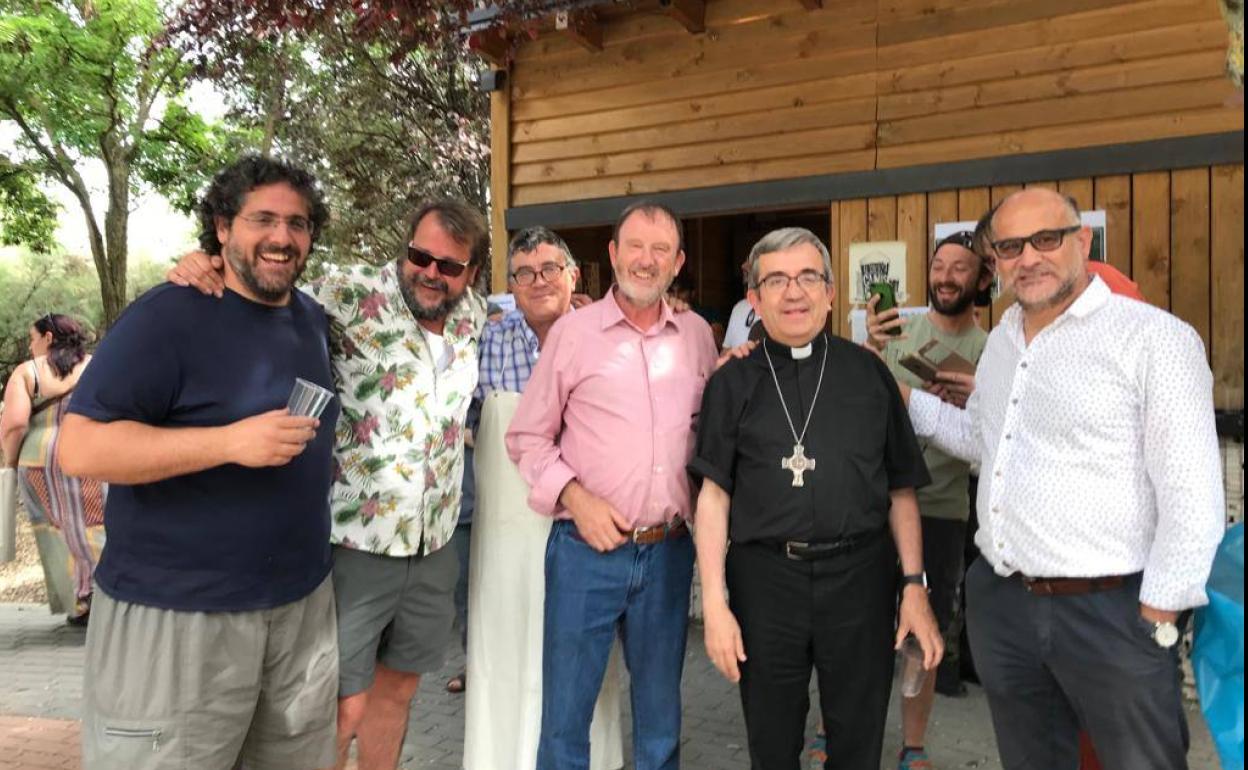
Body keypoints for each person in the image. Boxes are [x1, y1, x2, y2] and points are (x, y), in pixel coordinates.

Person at [900, 187, 1225, 770]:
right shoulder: (1003, 341)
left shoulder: (1154, 339)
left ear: (1082, 241)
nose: (1028, 257)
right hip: (1005, 603)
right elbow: (984, 440)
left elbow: (1193, 494)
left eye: (1045, 239)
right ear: (994, 260)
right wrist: (903, 401)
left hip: (1111, 610)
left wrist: (1158, 614)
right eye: (1010, 246)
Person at [170, 198, 488, 770]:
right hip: (355, 547)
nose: (431, 273)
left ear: (471, 274)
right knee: (340, 707)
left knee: (398, 694)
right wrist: (207, 261)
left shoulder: (476, 315)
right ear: (405, 249)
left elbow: (536, 304)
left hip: (434, 546)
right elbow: (265, 277)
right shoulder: (348, 290)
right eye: (421, 256)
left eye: (450, 265)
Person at [58, 155, 339, 770]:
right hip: (180, 616)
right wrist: (227, 442)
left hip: (297, 613)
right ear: (221, 226)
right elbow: (79, 448)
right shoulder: (169, 315)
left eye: (298, 223)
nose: (282, 237)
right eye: (262, 219)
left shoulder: (311, 319)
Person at [689, 227, 942, 770]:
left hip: (860, 579)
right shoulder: (731, 384)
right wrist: (714, 602)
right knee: (772, 741)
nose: (793, 292)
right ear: (754, 299)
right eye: (775, 280)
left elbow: (901, 490)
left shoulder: (869, 375)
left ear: (831, 292)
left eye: (808, 277)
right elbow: (713, 497)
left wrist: (914, 587)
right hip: (764, 583)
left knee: (857, 739)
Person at [506, 202, 718, 770]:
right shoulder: (573, 335)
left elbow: (715, 432)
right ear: (612, 255)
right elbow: (527, 438)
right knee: (565, 721)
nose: (645, 261)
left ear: (678, 262)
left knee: (660, 724)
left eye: (660, 250)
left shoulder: (698, 338)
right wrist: (576, 498)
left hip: (668, 552)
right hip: (584, 552)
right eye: (635, 247)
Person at [464, 226, 624, 770]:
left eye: (551, 269)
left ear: (575, 275)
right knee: (507, 650)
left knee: (579, 657)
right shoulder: (483, 339)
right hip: (504, 533)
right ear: (511, 284)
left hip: (581, 523)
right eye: (526, 273)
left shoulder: (603, 336)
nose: (540, 282)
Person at [866, 231, 991, 769]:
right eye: (939, 265)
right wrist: (871, 347)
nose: (945, 276)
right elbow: (866, 398)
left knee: (926, 632)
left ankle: (912, 747)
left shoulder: (994, 353)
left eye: (959, 268)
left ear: (983, 280)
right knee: (859, 625)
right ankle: (835, 728)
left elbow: (994, 439)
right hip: (877, 503)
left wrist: (968, 401)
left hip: (941, 508)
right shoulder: (898, 330)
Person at [0, 313, 104, 625]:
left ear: (48, 338)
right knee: (97, 524)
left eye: (33, 339)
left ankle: (82, 602)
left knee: (59, 530)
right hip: (92, 453)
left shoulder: (28, 371)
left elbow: (15, 424)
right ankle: (111, 595)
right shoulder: (98, 365)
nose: (31, 347)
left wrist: (9, 462)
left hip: (41, 462)